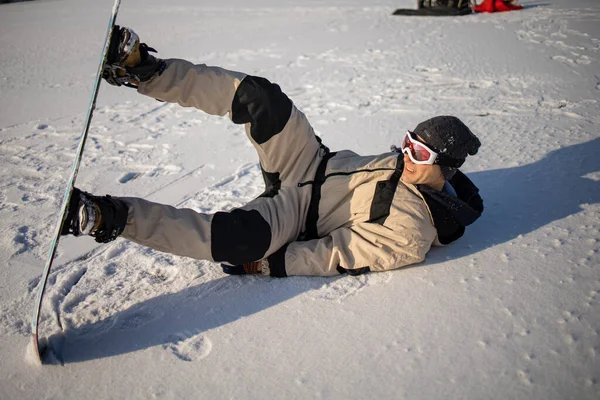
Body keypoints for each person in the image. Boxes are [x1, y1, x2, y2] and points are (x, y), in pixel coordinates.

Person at [62, 26, 483, 277]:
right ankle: (140, 68)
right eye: (407, 143)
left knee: (240, 240)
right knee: (264, 98)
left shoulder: (412, 233)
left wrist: (270, 265)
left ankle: (107, 215)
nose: (408, 155)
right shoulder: (414, 168)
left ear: (444, 167)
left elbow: (339, 254)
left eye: (421, 154)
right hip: (310, 159)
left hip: (295, 216)